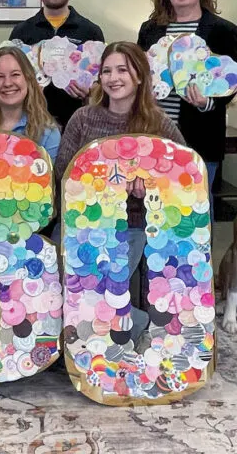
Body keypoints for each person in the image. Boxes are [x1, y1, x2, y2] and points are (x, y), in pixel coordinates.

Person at [54, 42, 186, 343]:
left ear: (139, 76)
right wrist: (97, 183)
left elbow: (184, 176)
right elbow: (63, 173)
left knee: (100, 287)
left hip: (132, 224)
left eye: (122, 70)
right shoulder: (83, 118)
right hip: (81, 222)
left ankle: (132, 328)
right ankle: (128, 326)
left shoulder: (159, 124)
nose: (113, 78)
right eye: (107, 71)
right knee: (63, 282)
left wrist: (149, 185)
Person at [137, 0, 237, 217]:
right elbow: (138, 72)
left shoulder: (223, 30)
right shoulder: (150, 29)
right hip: (156, 131)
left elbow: (231, 80)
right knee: (156, 205)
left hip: (201, 134)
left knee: (197, 207)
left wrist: (208, 102)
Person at [9, 0, 105, 129]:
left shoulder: (91, 31)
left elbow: (102, 78)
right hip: (30, 121)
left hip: (77, 121)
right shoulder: (21, 32)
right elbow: (10, 74)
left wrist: (90, 91)